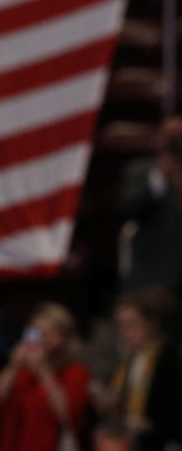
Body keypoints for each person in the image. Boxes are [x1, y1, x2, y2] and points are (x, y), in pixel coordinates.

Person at [0, 303, 92, 451]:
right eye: (39, 332)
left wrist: (42, 371)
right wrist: (13, 366)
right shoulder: (21, 374)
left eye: (50, 333)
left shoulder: (75, 372)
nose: (43, 339)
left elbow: (70, 414)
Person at [94, 287, 182, 451]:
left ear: (152, 324)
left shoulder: (169, 359)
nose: (125, 332)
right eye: (120, 325)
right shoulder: (125, 360)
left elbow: (175, 411)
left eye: (131, 324)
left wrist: (151, 424)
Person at [120, 116, 182, 293]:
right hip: (155, 273)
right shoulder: (140, 171)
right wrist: (159, 179)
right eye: (171, 137)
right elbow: (130, 209)